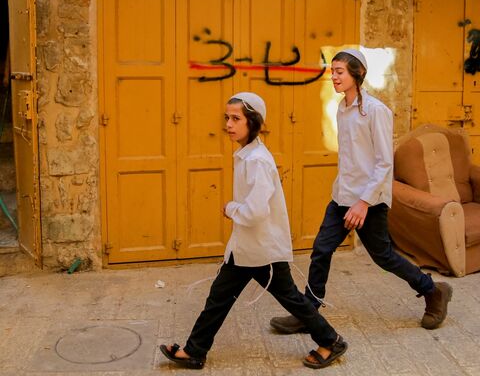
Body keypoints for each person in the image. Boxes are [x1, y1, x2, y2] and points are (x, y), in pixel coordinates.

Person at [270, 48, 453, 335]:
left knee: (383, 256)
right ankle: (309, 313)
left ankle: (433, 291)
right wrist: (345, 196)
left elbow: (383, 163)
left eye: (340, 71)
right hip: (343, 196)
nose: (334, 77)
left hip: (369, 201)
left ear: (358, 74)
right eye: (332, 71)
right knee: (321, 250)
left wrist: (363, 203)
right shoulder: (342, 109)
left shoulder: (376, 111)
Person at [161, 92, 348, 370]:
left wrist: (231, 208)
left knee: (291, 300)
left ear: (253, 121)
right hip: (248, 247)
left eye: (236, 118)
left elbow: (256, 211)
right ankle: (195, 350)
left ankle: (331, 341)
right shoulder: (247, 154)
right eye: (227, 118)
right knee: (220, 298)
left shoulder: (257, 160)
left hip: (263, 249)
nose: (229, 124)